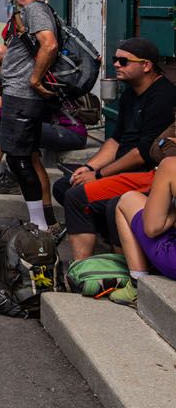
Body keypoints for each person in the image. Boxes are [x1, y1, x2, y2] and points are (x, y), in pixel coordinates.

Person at [55, 37, 175, 261]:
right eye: (115, 59)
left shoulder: (163, 97)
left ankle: (85, 265)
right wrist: (89, 167)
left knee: (79, 196)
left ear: (146, 65)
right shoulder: (130, 93)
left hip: (143, 173)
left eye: (123, 61)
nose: (116, 64)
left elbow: (142, 153)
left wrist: (99, 174)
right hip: (121, 169)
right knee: (65, 185)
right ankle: (108, 241)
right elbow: (116, 140)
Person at [0, 0, 59, 229]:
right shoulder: (37, 12)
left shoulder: (35, 10)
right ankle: (45, 220)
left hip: (23, 96)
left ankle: (39, 225)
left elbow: (49, 44)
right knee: (30, 158)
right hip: (20, 94)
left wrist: (34, 79)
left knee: (18, 159)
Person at [112, 156, 176, 305]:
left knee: (128, 200)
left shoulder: (170, 165)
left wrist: (172, 211)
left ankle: (136, 283)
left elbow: (152, 228)